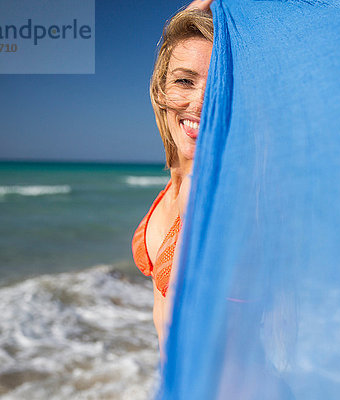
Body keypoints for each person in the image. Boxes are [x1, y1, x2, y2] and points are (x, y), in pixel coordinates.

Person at [132, 1, 214, 362]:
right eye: (184, 81)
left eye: (217, 86)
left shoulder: (211, 192)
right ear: (160, 90)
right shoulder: (177, 183)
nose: (199, 102)